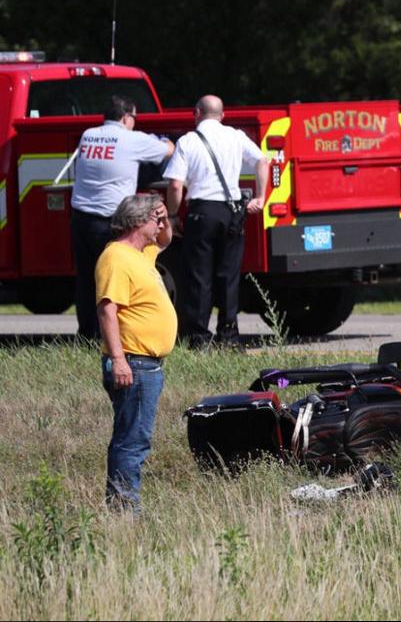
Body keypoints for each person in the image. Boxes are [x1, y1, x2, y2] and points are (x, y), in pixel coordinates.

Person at [163, 95, 269, 349]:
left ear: (196, 113)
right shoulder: (236, 136)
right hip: (233, 212)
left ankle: (199, 337)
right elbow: (262, 161)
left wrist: (172, 215)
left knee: (199, 276)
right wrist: (261, 197)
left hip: (202, 212)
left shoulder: (188, 141)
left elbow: (176, 185)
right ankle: (229, 337)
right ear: (223, 115)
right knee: (228, 276)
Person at [96, 193, 176, 513]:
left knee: (133, 438)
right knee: (131, 442)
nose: (161, 226)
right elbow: (107, 310)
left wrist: (165, 217)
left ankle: (123, 505)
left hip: (145, 364)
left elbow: (166, 240)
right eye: (157, 220)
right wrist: (118, 360)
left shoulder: (141, 254)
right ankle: (124, 510)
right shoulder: (116, 257)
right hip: (133, 363)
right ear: (139, 221)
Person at [70, 96, 173, 339]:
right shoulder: (132, 139)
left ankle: (87, 335)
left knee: (86, 279)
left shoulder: (88, 135)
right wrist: (162, 139)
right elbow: (169, 150)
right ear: (126, 117)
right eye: (134, 118)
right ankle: (111, 336)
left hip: (81, 218)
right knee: (112, 280)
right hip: (110, 220)